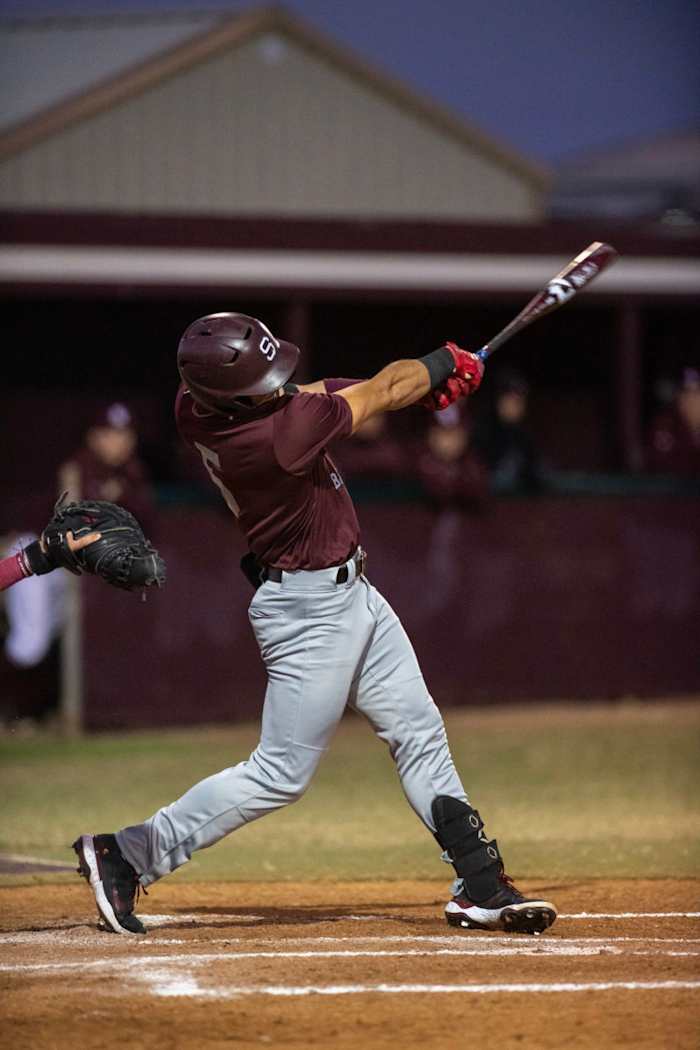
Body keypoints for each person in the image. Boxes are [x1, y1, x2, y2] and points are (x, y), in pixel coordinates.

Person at [73, 315, 557, 938]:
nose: (279, 387)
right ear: (232, 395)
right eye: (262, 382)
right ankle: (129, 853)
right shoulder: (277, 437)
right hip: (309, 614)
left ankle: (479, 885)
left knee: (418, 729)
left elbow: (329, 392)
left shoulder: (197, 405)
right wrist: (444, 362)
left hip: (350, 591)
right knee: (279, 773)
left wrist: (420, 383)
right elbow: (374, 395)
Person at [60, 403, 156, 532]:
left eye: (125, 435)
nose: (120, 443)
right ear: (92, 437)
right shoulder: (75, 469)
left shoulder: (134, 470)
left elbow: (148, 521)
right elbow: (68, 523)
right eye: (108, 435)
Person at [472, 370, 544, 494]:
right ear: (498, 401)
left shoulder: (524, 438)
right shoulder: (481, 433)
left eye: (519, 401)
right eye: (509, 400)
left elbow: (534, 478)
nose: (514, 406)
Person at [646, 368, 700, 478]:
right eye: (686, 394)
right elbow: (662, 469)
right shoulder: (665, 427)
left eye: (696, 394)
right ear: (677, 398)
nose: (691, 400)